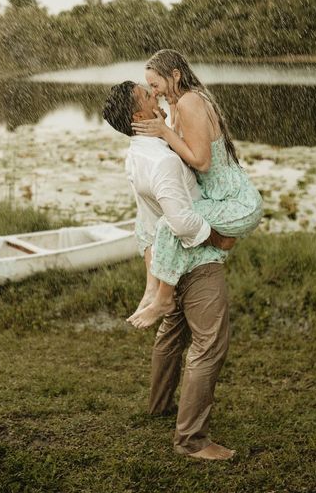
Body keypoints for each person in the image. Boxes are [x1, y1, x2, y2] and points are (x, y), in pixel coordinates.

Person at [103, 81, 236, 460]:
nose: (155, 94)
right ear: (137, 116)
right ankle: (191, 440)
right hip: (195, 260)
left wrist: (155, 266)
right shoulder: (160, 161)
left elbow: (151, 215)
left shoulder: (139, 152)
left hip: (168, 264)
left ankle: (158, 405)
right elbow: (181, 222)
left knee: (172, 330)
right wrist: (218, 238)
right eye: (148, 96)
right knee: (209, 344)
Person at [127, 49, 263, 329]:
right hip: (216, 199)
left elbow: (201, 162)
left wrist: (164, 132)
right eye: (150, 88)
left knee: (169, 225)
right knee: (144, 225)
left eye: (155, 85)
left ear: (175, 75)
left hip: (235, 202)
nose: (154, 92)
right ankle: (151, 290)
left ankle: (164, 299)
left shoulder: (190, 101)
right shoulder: (179, 102)